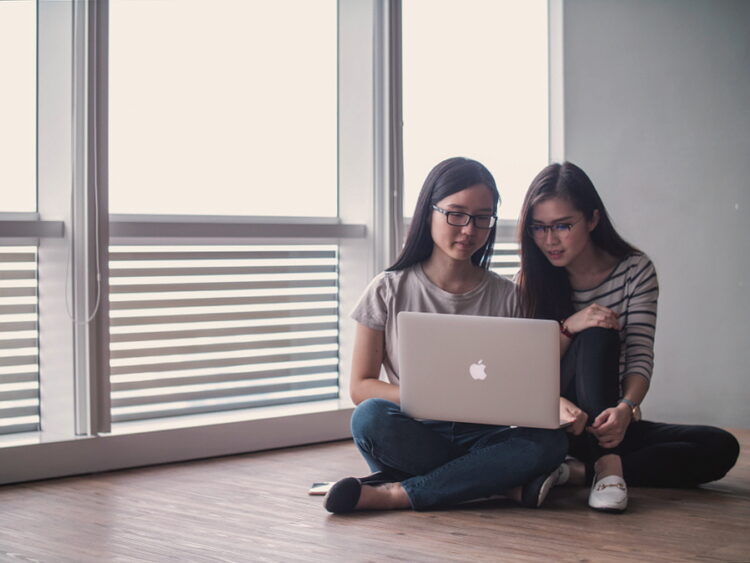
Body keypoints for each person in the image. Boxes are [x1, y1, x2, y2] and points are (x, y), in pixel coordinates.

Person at [323, 157, 569, 514]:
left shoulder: (509, 295)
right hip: (416, 429)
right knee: (369, 418)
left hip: (484, 432)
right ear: (429, 213)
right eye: (456, 214)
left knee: (549, 441)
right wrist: (428, 398)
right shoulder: (387, 289)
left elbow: (520, 383)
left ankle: (398, 494)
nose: (469, 229)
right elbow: (361, 387)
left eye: (483, 218)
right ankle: (494, 484)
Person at [516, 161, 740, 513]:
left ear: (592, 220)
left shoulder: (635, 270)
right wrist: (570, 325)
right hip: (557, 420)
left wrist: (626, 408)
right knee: (596, 332)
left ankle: (574, 472)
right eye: (539, 228)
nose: (549, 240)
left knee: (721, 446)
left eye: (563, 225)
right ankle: (606, 466)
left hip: (607, 418)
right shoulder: (529, 279)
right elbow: (526, 370)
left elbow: (639, 353)